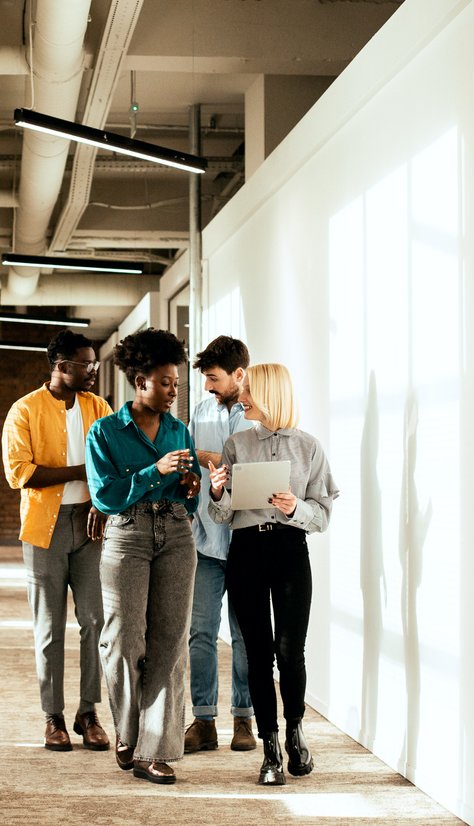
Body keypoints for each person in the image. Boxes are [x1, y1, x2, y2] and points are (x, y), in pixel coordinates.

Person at [207, 363, 339, 786]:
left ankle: (297, 732)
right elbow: (224, 515)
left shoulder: (309, 448)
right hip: (246, 551)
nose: (239, 397)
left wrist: (293, 508)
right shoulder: (236, 444)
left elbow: (322, 516)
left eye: (246, 391)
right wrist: (216, 491)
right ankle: (270, 749)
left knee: (290, 651)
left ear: (268, 394)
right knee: (256, 655)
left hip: (289, 550)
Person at [85, 328, 201, 785]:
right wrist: (156, 471)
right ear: (140, 381)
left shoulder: (179, 430)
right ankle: (127, 732)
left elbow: (189, 500)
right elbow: (106, 495)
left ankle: (154, 750)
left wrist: (191, 490)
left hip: (175, 533)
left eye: (177, 383)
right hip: (127, 534)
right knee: (122, 640)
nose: (174, 390)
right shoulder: (106, 432)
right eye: (166, 382)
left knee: (170, 644)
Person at [1, 330, 113, 752]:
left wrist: (98, 498)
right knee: (49, 627)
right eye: (87, 365)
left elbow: (113, 462)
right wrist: (79, 472)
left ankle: (88, 712)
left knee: (94, 622)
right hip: (43, 530)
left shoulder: (98, 407)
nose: (94, 372)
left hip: (90, 527)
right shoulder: (24, 410)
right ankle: (53, 717)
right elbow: (20, 473)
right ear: (62, 366)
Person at [184, 336, 256, 753]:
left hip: (246, 541)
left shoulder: (258, 414)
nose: (209, 386)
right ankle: (204, 719)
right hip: (207, 541)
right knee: (201, 634)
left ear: (238, 375)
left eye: (214, 378)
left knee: (245, 636)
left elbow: (251, 469)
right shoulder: (200, 410)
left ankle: (243, 721)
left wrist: (207, 456)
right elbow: (195, 468)